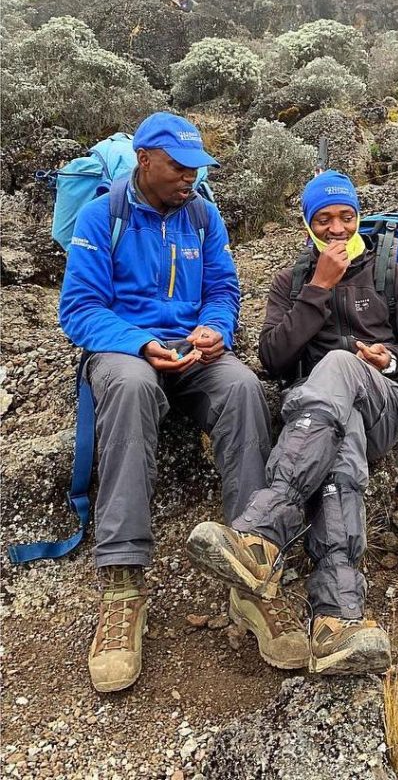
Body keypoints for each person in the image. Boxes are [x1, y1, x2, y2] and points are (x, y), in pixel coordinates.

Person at [187, 170, 398, 675]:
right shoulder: (291, 282)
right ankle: (337, 619)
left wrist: (386, 363)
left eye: (346, 217)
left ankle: (264, 531)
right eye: (323, 219)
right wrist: (318, 289)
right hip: (318, 420)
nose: (336, 228)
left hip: (383, 405)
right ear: (307, 224)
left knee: (339, 366)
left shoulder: (393, 275)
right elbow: (272, 360)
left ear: (358, 218)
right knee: (337, 439)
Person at [59, 111, 275, 693]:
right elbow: (78, 310)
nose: (190, 179)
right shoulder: (99, 216)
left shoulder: (203, 217)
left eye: (197, 169)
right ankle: (123, 584)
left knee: (245, 388)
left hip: (193, 353)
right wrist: (139, 343)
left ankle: (248, 569)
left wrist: (214, 329)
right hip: (125, 348)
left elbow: (224, 288)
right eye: (180, 168)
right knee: (130, 388)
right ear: (145, 161)